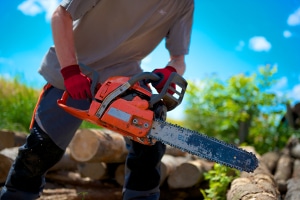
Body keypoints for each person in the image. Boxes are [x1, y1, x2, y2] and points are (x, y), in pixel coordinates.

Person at [0, 0, 194, 199]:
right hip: (74, 68)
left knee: (151, 135)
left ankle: (142, 196)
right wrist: (70, 70)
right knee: (41, 149)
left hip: (125, 78)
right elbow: (61, 15)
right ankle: (16, 195)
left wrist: (171, 72)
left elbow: (178, 58)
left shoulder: (183, 4)